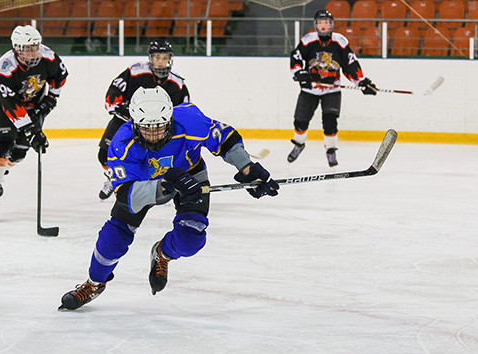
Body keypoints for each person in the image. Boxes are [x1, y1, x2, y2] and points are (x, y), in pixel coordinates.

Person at [59, 87, 280, 311]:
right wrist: (165, 184)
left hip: (191, 175)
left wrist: (246, 168)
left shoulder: (190, 120)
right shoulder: (121, 144)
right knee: (113, 238)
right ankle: (94, 283)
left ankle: (162, 254)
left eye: (159, 127)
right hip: (143, 183)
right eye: (146, 128)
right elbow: (126, 193)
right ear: (134, 123)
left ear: (170, 119)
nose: (154, 134)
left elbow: (225, 138)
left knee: (191, 240)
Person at [0, 24, 68, 216]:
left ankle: (0, 171)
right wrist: (31, 130)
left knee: (20, 153)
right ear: (17, 48)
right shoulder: (4, 67)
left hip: (34, 107)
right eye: (28, 49)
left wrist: (50, 99)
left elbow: (60, 76)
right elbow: (10, 104)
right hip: (5, 107)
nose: (33, 52)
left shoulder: (48, 56)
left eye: (35, 47)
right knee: (2, 146)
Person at [96, 39, 190, 200]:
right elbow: (113, 93)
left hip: (158, 128)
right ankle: (114, 179)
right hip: (127, 122)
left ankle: (159, 183)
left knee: (160, 156)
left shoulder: (178, 84)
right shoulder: (135, 72)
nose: (161, 62)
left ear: (170, 59)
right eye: (157, 58)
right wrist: (119, 107)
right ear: (150, 58)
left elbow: (185, 112)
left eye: (165, 58)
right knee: (104, 154)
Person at [288, 9, 377, 167]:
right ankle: (299, 145)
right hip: (310, 89)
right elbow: (296, 57)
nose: (323, 26)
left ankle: (330, 151)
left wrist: (361, 82)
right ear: (316, 25)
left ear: (332, 25)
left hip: (332, 90)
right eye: (320, 23)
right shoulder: (308, 40)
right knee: (300, 122)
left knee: (330, 121)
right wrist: (300, 73)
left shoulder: (340, 41)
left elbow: (350, 64)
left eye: (327, 22)